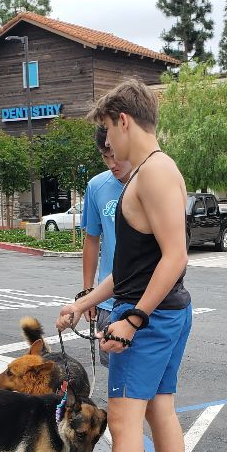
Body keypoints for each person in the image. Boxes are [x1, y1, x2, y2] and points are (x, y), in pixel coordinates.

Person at [47, 78, 192, 452]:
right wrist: (85, 301)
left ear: (123, 121)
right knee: (160, 410)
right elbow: (131, 266)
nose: (106, 143)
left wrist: (132, 318)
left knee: (125, 424)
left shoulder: (150, 174)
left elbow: (175, 257)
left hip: (149, 317)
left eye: (107, 131)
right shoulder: (159, 170)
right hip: (168, 311)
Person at [79, 126, 132, 350]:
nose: (111, 164)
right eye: (105, 156)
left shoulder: (151, 183)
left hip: (144, 297)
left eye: (115, 155)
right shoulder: (96, 186)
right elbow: (92, 239)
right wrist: (88, 292)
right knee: (114, 372)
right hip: (109, 300)